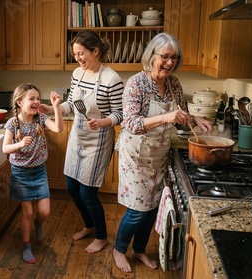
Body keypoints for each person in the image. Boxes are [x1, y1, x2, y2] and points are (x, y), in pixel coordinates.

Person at [113, 33, 213, 272]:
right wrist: (166, 117)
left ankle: (138, 250)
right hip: (136, 156)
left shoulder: (174, 84)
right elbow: (131, 123)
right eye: (165, 57)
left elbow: (180, 117)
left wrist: (195, 119)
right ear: (152, 56)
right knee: (137, 210)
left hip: (159, 154)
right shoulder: (136, 83)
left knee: (152, 209)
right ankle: (118, 249)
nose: (169, 62)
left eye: (174, 58)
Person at [39, 30, 124, 253]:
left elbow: (120, 113)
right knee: (71, 187)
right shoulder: (78, 73)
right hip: (77, 136)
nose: (77, 58)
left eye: (81, 53)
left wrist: (103, 121)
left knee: (88, 193)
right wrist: (52, 108)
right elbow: (73, 104)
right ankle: (89, 225)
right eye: (75, 54)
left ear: (95, 51)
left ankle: (102, 236)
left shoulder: (112, 79)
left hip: (98, 140)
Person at [2, 83, 63, 264]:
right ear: (20, 102)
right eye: (32, 99)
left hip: (39, 172)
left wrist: (57, 107)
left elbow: (58, 129)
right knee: (27, 213)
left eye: (38, 98)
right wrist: (19, 145)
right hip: (20, 174)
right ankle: (26, 246)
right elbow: (5, 148)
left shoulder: (41, 118)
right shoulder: (13, 123)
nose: (36, 102)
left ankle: (39, 224)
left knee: (44, 211)